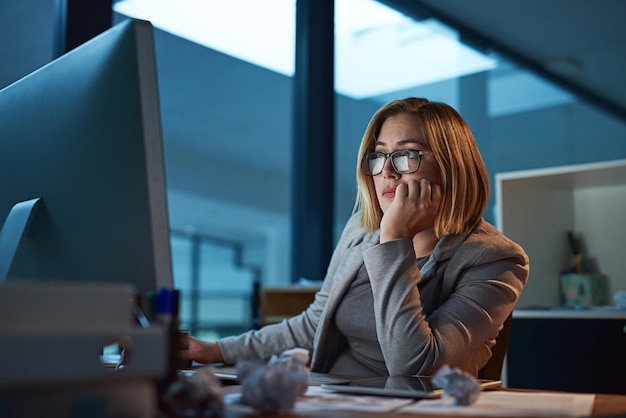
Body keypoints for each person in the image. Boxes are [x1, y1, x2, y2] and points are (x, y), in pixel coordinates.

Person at [180, 97, 529, 378]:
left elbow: (415, 365)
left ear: (452, 166)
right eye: (378, 156)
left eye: (407, 154)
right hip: (328, 395)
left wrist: (394, 241)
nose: (387, 171)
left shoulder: (495, 259)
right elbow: (314, 323)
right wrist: (215, 351)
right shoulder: (360, 231)